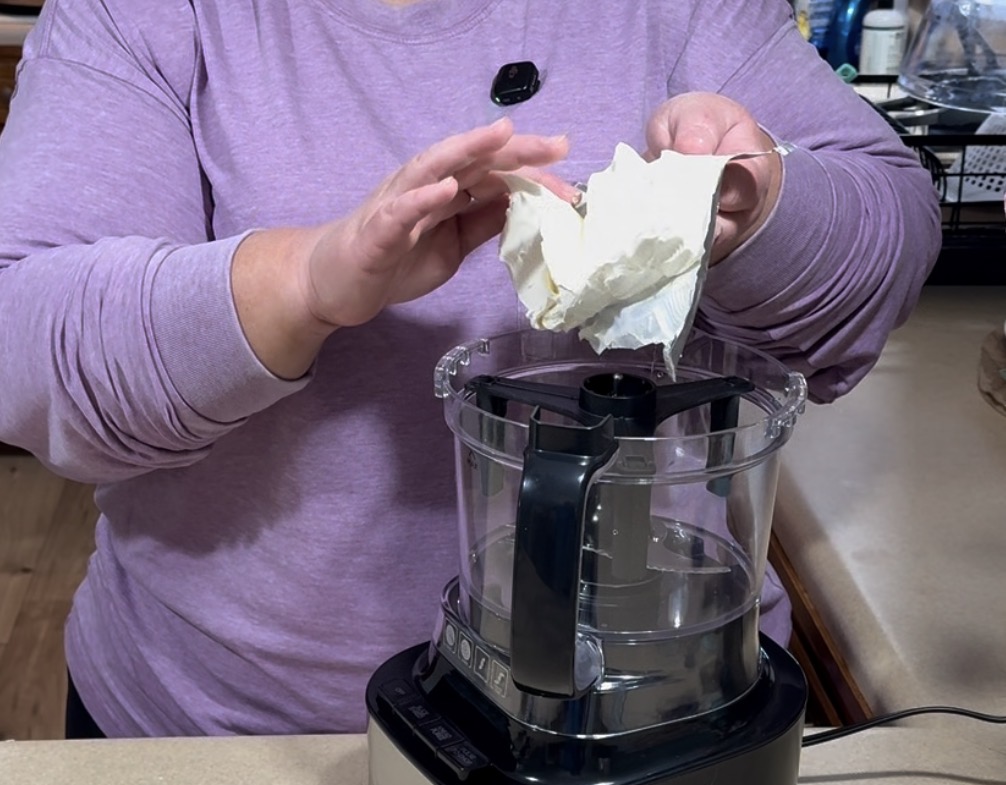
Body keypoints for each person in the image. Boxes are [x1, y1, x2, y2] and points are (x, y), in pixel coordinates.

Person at [0, 0, 941, 739]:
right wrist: (307, 277)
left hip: (654, 712)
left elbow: (885, 240)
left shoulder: (685, 9)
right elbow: (26, 349)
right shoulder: (149, 16)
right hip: (229, 736)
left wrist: (757, 200)